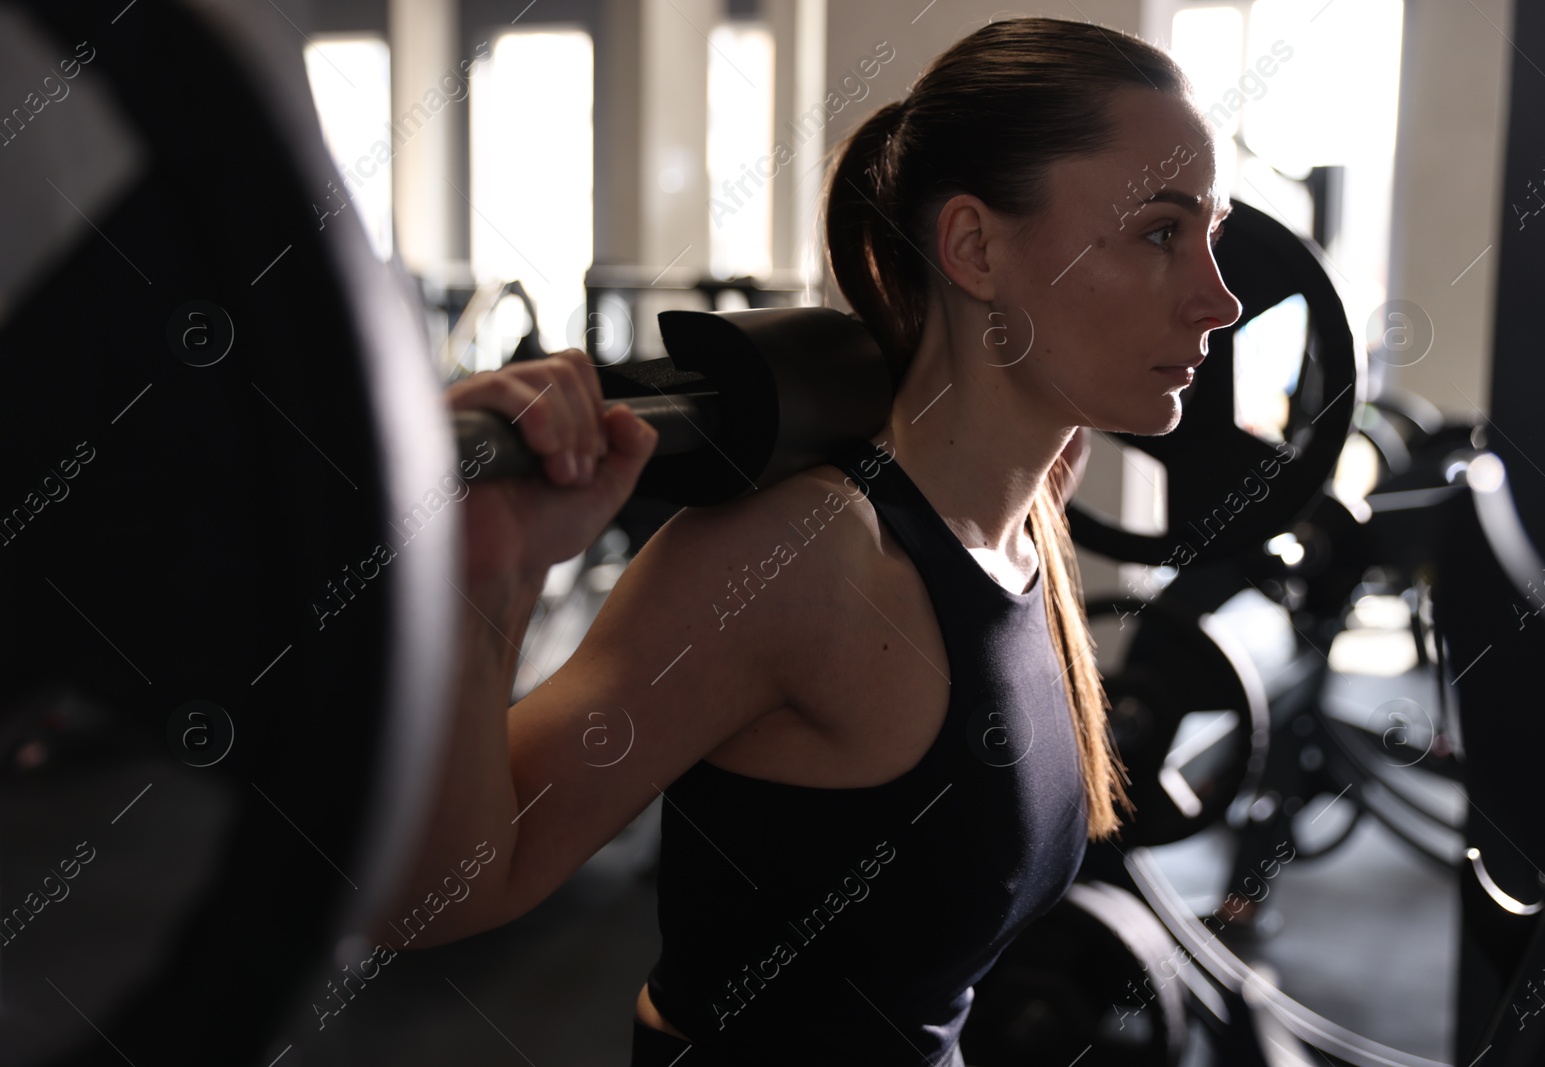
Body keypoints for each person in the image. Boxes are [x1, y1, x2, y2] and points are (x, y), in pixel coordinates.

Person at [377, 16, 1241, 1066]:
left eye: (1212, 233)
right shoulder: (804, 563)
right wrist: (490, 575)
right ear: (975, 247)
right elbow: (437, 897)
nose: (1218, 297)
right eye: (1160, 231)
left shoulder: (1035, 506)